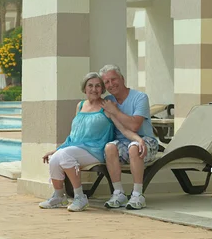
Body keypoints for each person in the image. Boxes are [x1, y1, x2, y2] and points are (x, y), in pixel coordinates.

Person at [39, 72, 146, 212]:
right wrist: (56, 149)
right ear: (84, 88)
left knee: (64, 156)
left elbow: (123, 129)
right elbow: (74, 134)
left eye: (98, 86)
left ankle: (80, 198)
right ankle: (59, 196)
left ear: (102, 89)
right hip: (75, 148)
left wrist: (139, 140)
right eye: (90, 86)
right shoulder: (80, 105)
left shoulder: (106, 106)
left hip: (96, 150)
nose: (94, 89)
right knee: (55, 158)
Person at [99, 64, 159, 210]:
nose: (111, 84)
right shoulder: (108, 99)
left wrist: (115, 110)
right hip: (122, 142)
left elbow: (134, 126)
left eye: (114, 79)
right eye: (107, 82)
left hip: (145, 141)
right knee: (109, 147)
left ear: (122, 78)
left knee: (134, 147)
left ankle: (138, 194)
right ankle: (118, 193)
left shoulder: (140, 97)